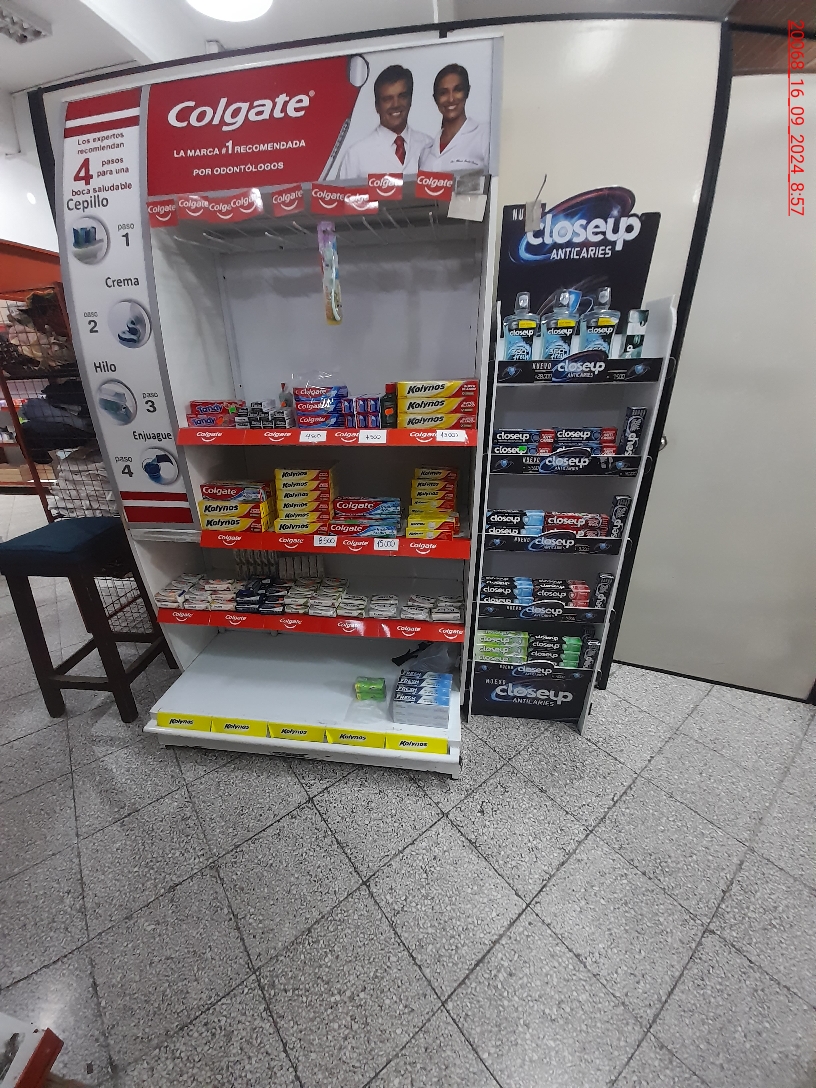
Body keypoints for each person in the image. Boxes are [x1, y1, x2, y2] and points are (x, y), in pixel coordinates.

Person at [337, 64, 432, 178]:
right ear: (377, 106)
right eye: (387, 99)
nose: (395, 104)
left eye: (402, 96)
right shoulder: (355, 155)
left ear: (410, 100)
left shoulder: (429, 146)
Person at [419, 63, 490, 172]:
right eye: (443, 93)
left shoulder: (484, 135)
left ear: (467, 92)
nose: (451, 99)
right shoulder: (426, 151)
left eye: (457, 90)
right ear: (435, 99)